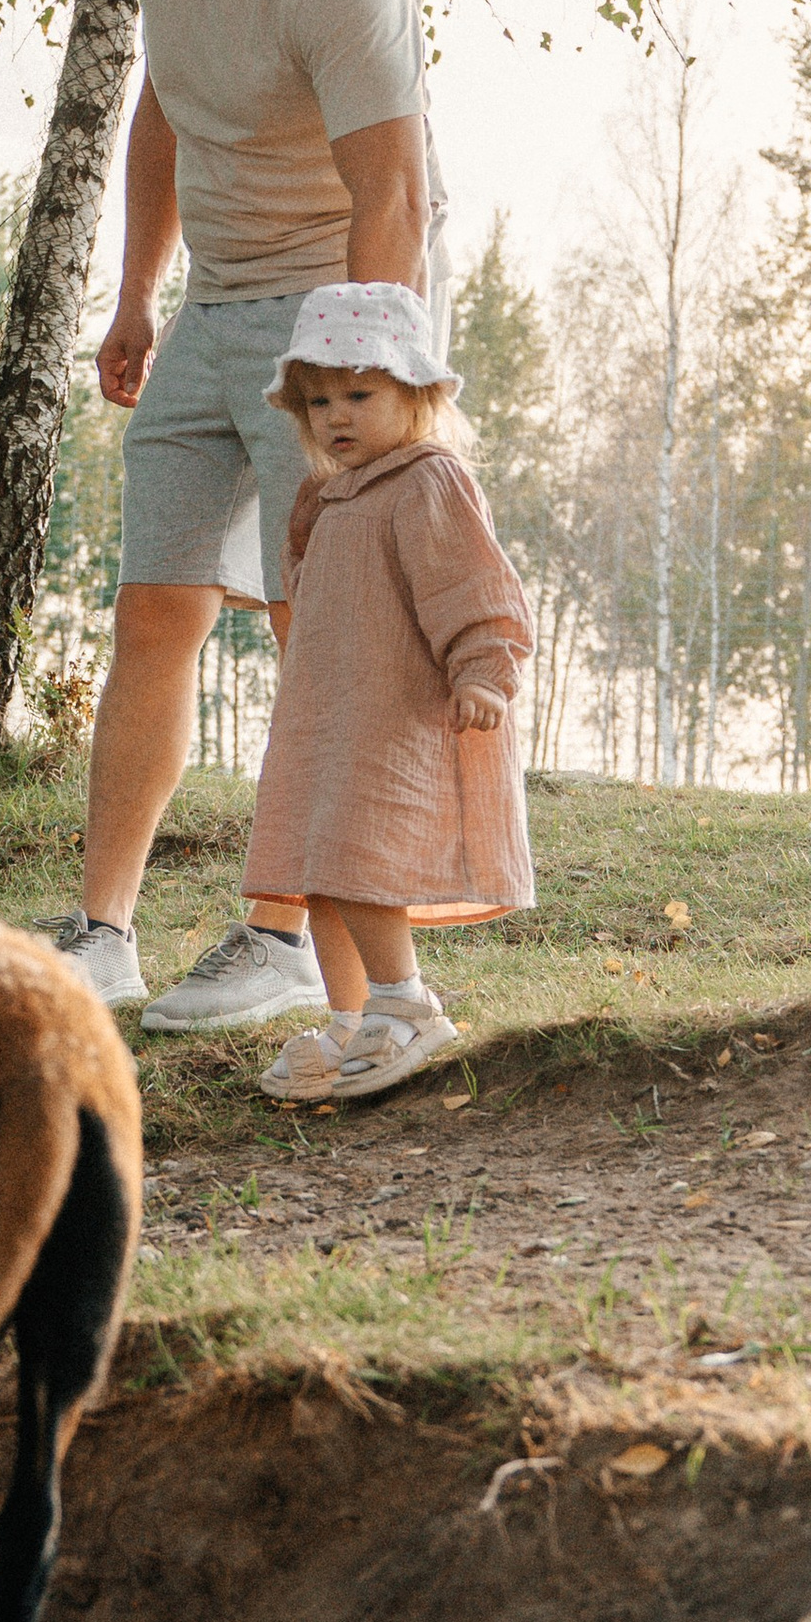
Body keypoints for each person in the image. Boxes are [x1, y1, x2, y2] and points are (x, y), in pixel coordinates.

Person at [45, 0, 449, 1027]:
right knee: (154, 607)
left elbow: (393, 191)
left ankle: (279, 941)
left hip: (324, 313)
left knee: (309, 631)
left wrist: (360, 406)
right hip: (211, 306)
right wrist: (134, 296)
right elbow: (164, 103)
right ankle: (105, 934)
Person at [243, 281, 535, 1103]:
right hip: (329, 718)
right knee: (319, 865)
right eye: (320, 400)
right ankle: (353, 1017)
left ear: (418, 394)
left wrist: (484, 670)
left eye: (360, 393)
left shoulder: (428, 482)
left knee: (362, 860)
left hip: (393, 716)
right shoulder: (326, 496)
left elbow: (473, 590)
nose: (337, 415)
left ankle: (408, 1004)